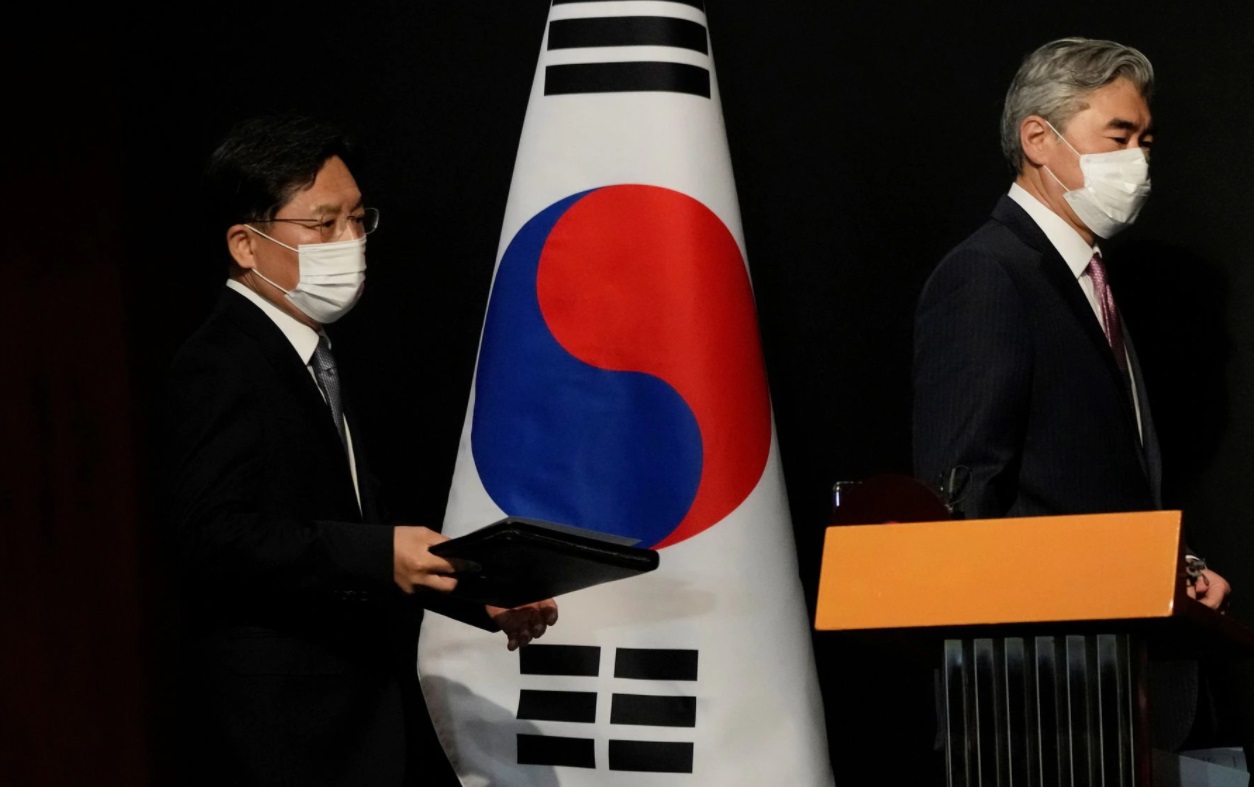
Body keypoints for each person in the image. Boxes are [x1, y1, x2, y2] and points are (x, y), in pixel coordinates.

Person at [161, 112, 558, 786]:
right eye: (323, 224)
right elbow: (213, 537)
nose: (349, 242)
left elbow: (353, 529)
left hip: (359, 724)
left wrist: (481, 595)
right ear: (246, 244)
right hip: (285, 735)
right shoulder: (220, 362)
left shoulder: (313, 353)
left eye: (357, 219)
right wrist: (379, 553)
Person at [912, 37, 1232, 752]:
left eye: (1145, 141)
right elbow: (963, 495)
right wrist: (992, 692)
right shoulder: (988, 275)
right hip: (1036, 698)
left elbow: (1087, 478)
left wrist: (1174, 567)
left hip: (1116, 677)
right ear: (1038, 139)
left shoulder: (1089, 278)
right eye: (1118, 137)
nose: (1137, 161)